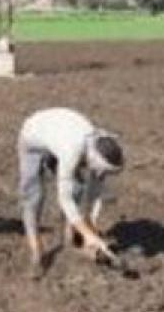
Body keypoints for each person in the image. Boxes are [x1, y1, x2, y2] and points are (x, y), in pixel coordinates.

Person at [17, 108, 125, 273]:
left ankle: (71, 237)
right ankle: (36, 251)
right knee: (34, 195)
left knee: (77, 187)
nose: (104, 175)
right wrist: (89, 235)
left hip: (58, 135)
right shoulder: (72, 151)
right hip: (34, 137)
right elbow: (64, 198)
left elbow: (95, 191)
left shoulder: (98, 148)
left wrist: (89, 224)